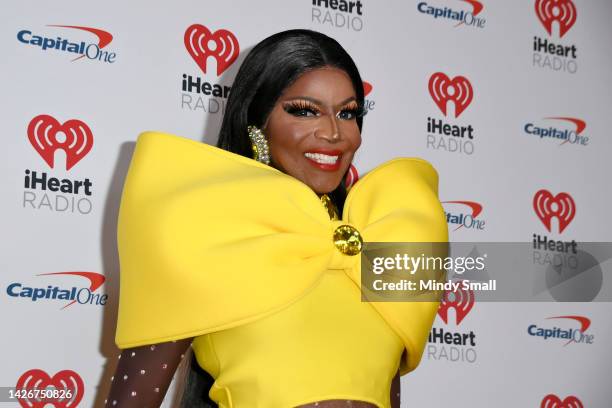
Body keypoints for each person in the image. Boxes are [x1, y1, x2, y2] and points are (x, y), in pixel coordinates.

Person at [106, 29, 448, 408]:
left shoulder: (381, 238)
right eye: (305, 110)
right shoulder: (206, 233)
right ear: (257, 122)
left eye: (347, 113)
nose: (334, 133)